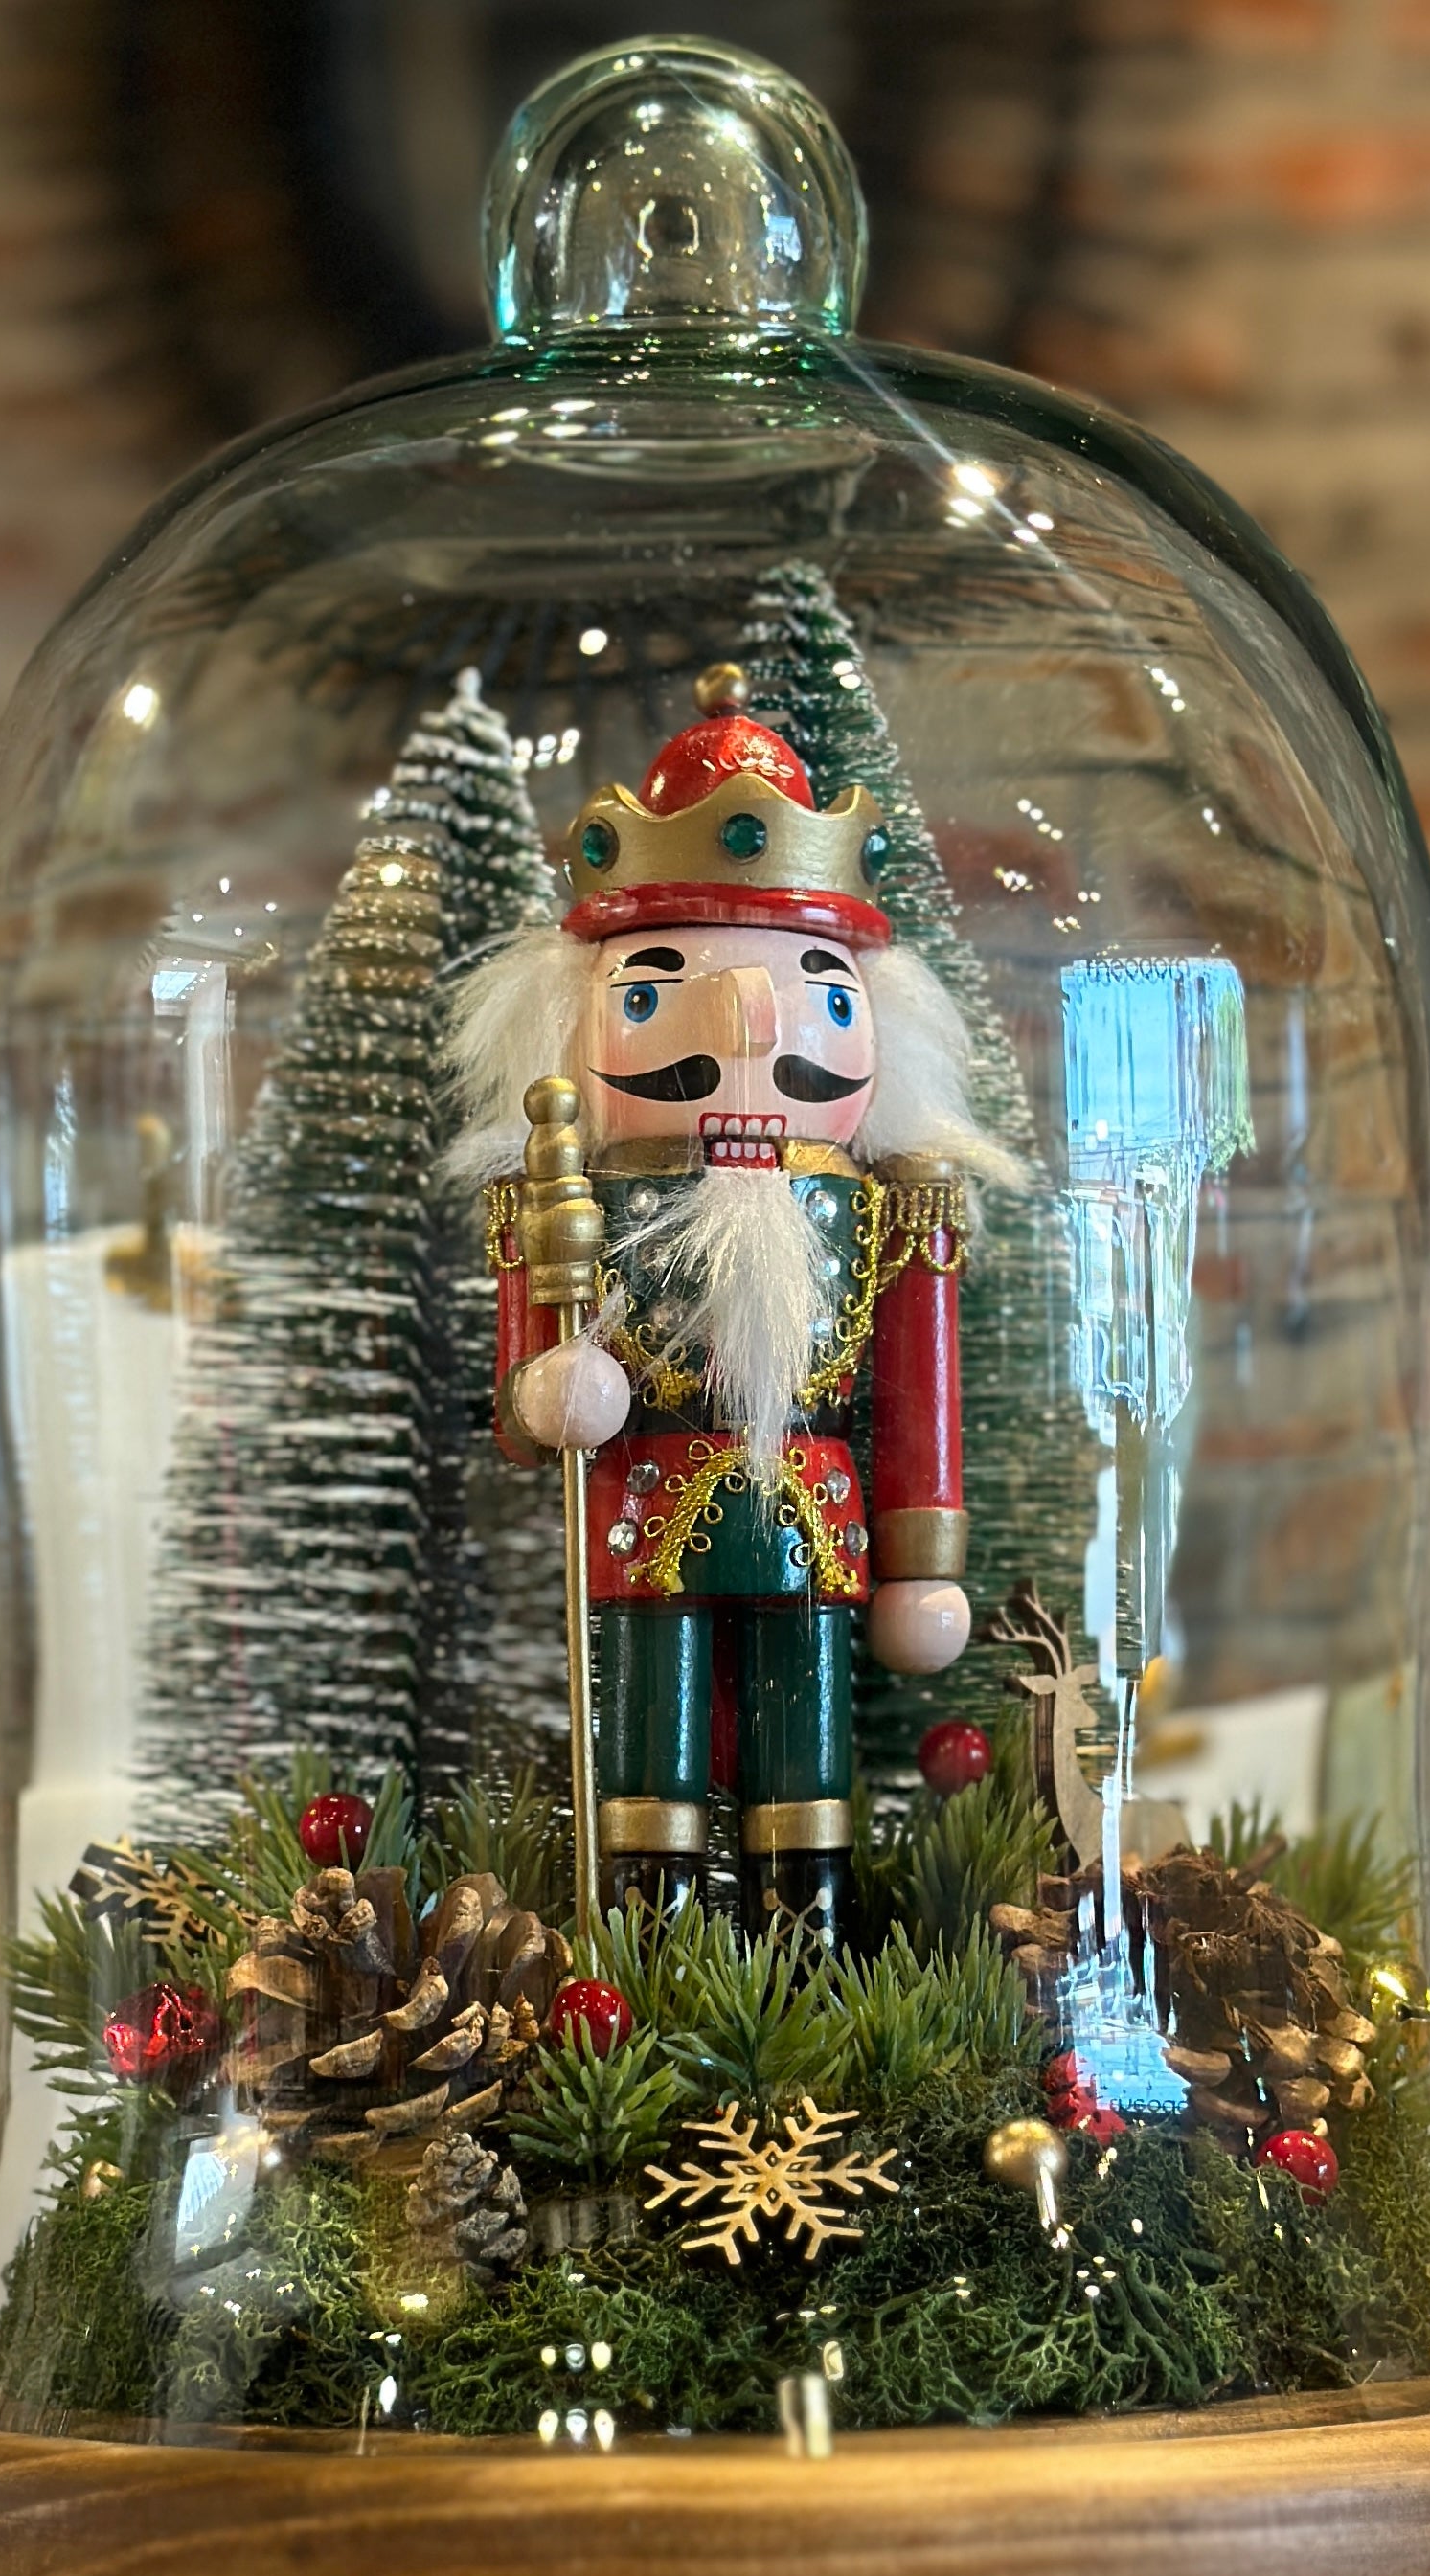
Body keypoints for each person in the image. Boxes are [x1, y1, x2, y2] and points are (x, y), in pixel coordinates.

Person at [448, 663, 1017, 1940]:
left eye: (821, 993)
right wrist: (550, 1393)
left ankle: (806, 1940)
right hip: (642, 1508)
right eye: (651, 991)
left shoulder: (889, 1207)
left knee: (804, 1734)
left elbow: (917, 1386)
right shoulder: (562, 1194)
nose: (751, 1018)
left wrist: (925, 1561)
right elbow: (521, 1401)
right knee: (647, 1731)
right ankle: (644, 1937)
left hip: (815, 1511)